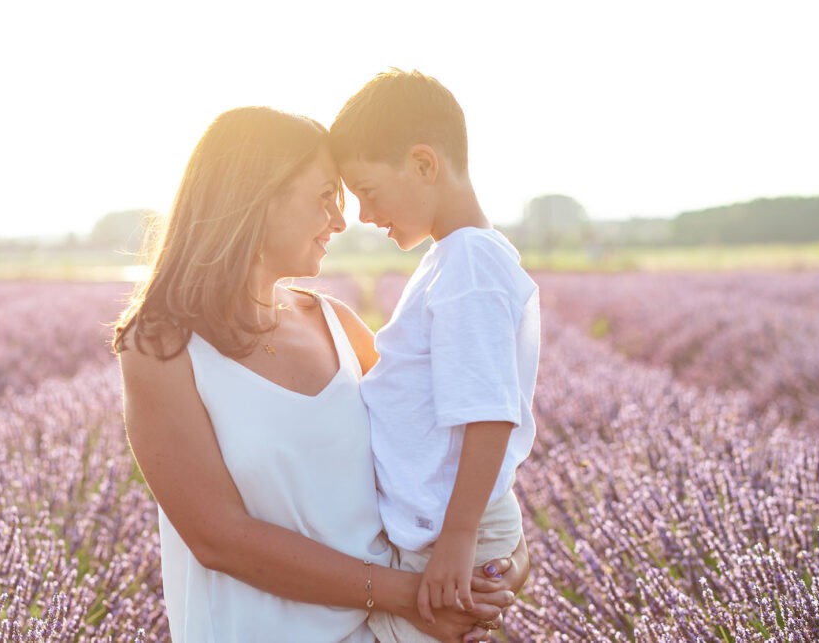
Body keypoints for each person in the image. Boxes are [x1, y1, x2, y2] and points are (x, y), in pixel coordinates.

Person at [113, 106, 529, 643]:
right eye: (325, 197)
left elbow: (434, 453)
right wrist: (415, 595)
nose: (339, 219)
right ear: (255, 198)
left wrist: (499, 565)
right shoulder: (159, 349)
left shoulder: (339, 326)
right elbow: (219, 536)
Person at [329, 70, 540, 643]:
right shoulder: (455, 257)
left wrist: (458, 538)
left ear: (424, 164)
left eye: (367, 191)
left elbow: (488, 410)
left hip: (445, 539)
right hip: (438, 532)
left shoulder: (469, 263)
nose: (363, 216)